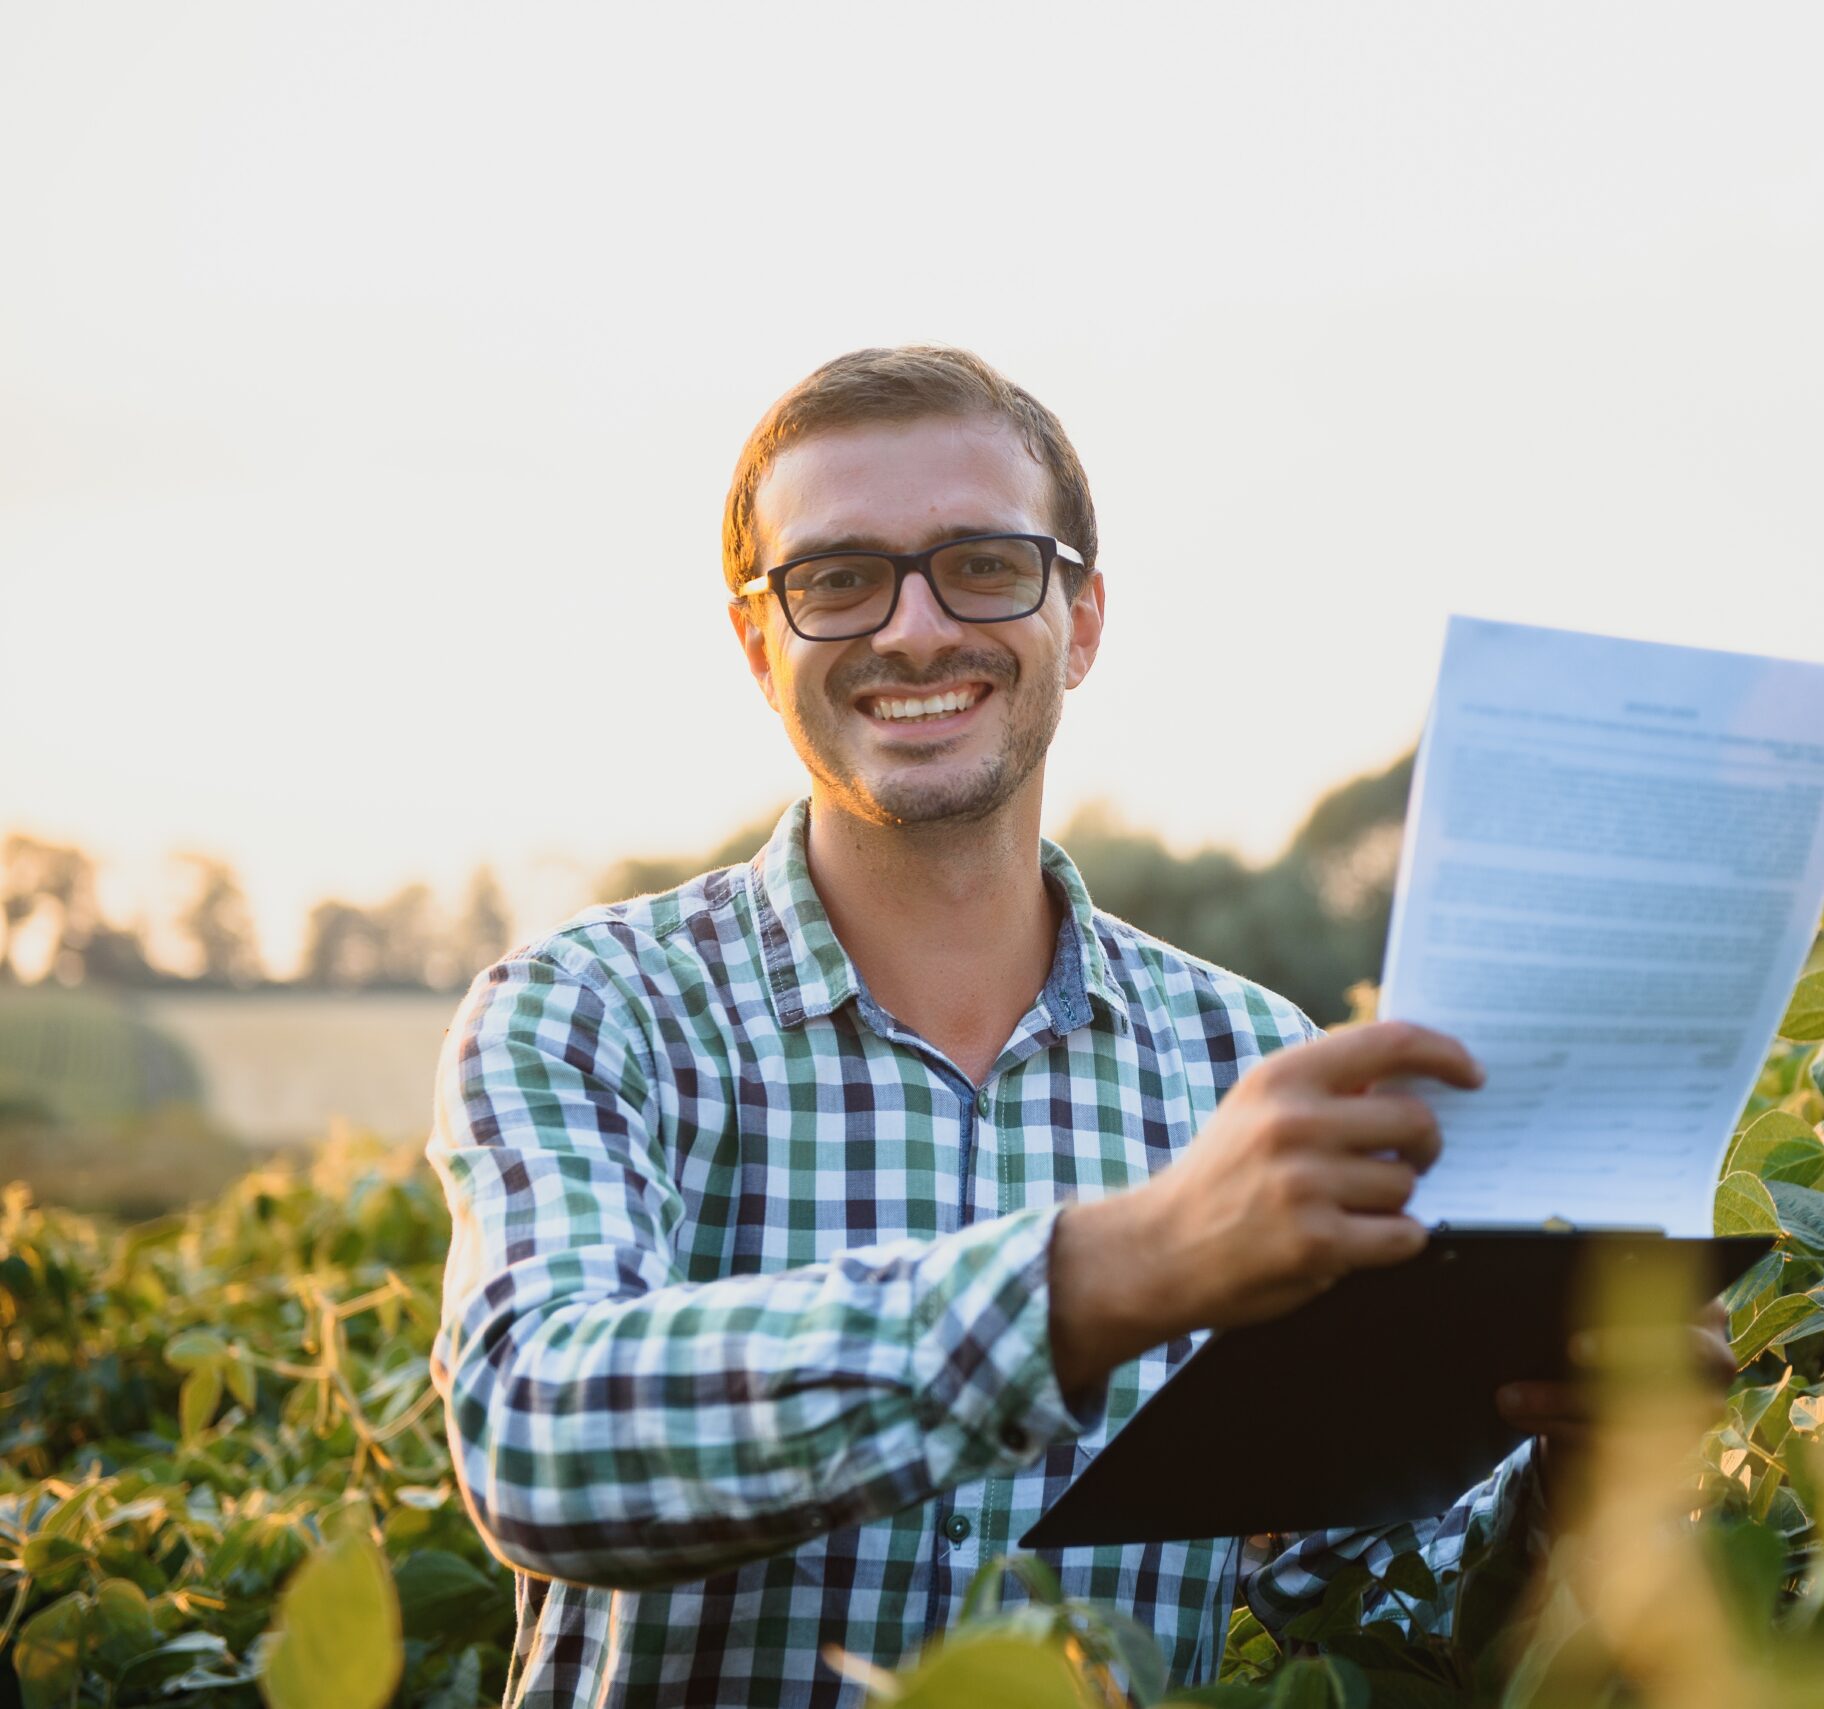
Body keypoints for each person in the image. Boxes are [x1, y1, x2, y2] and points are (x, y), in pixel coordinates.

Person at [427, 345, 1713, 1707]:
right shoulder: (590, 1010)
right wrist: (1115, 1271)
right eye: (839, 578)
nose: (914, 629)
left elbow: (1374, 1616)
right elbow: (533, 1433)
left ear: (1082, 620)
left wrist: (1571, 1486)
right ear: (761, 644)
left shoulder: (1248, 1060)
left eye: (982, 563)